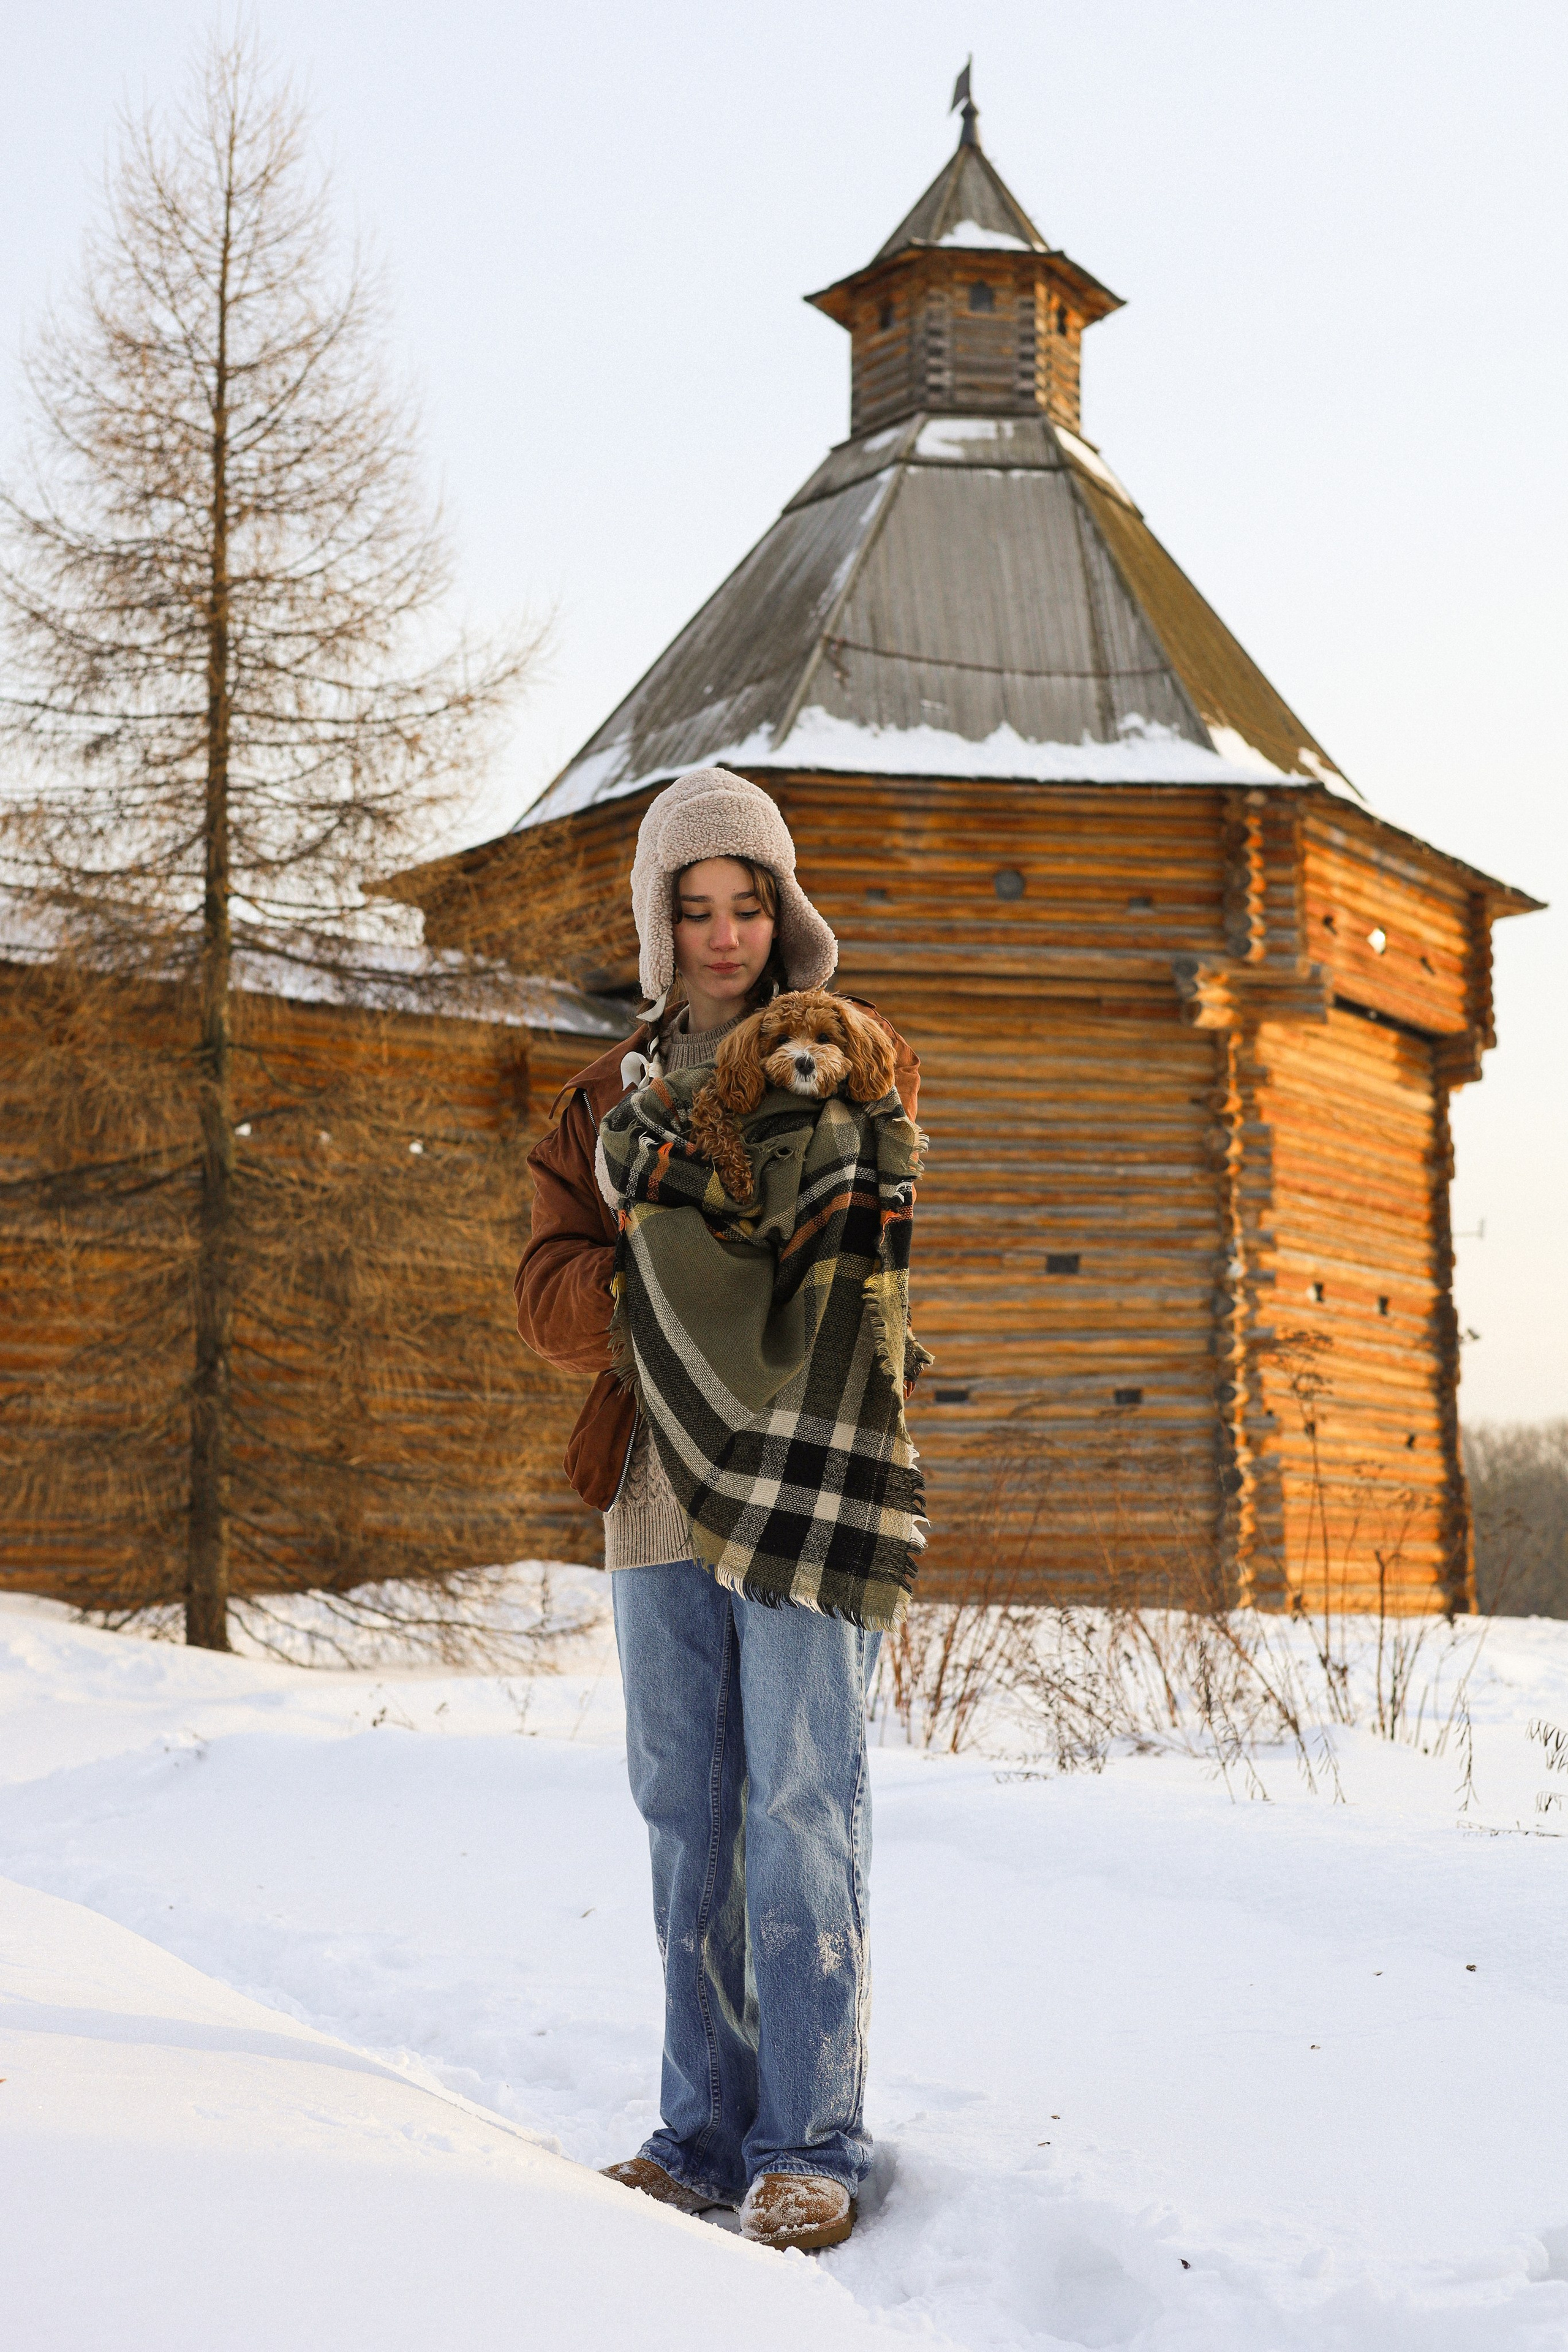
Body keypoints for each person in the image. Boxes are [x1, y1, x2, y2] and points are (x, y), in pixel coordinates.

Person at [514, 768, 921, 2255]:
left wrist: (712, 1265)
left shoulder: (854, 1065)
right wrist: (653, 1278)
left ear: (782, 908)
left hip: (807, 1468)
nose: (725, 932)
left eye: (747, 902)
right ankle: (699, 2133)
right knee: (685, 1812)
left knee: (801, 1799)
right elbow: (549, 1303)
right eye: (694, 908)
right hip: (651, 1490)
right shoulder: (596, 1108)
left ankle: (812, 2141)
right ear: (656, 921)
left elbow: (853, 1250)